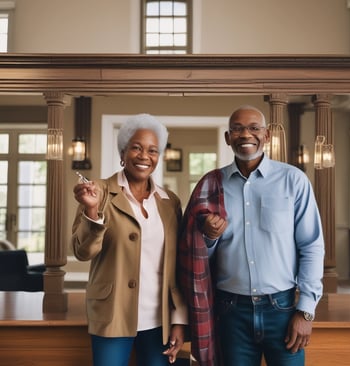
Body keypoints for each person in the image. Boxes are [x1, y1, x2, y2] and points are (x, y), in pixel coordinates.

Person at [178, 105, 325, 366]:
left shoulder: (294, 181)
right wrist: (210, 237)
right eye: (237, 129)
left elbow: (311, 246)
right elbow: (194, 252)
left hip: (282, 309)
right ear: (228, 138)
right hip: (231, 311)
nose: (246, 135)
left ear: (266, 135)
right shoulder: (212, 185)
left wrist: (305, 311)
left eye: (254, 128)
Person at [71, 113, 188, 366]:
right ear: (122, 153)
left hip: (160, 322)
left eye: (153, 150)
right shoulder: (98, 191)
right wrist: (91, 210)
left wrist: (179, 320)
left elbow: (178, 266)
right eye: (136, 147)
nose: (145, 156)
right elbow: (82, 251)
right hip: (112, 314)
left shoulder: (170, 202)